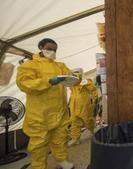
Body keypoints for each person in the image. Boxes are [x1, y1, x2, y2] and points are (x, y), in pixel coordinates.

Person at [16, 38, 74, 169]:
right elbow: (25, 84)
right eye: (49, 48)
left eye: (54, 50)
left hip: (59, 110)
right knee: (39, 142)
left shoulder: (60, 66)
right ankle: (38, 166)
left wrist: (75, 75)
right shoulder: (29, 65)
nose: (52, 52)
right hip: (39, 113)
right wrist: (48, 81)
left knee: (60, 138)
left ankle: (62, 160)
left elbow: (70, 77)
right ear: (41, 47)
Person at [68, 68, 98, 146]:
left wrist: (95, 99)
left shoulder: (85, 81)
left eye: (76, 73)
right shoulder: (72, 83)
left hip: (84, 105)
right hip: (74, 106)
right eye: (73, 74)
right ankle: (75, 138)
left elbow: (94, 90)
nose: (74, 75)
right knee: (74, 122)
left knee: (87, 120)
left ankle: (94, 132)